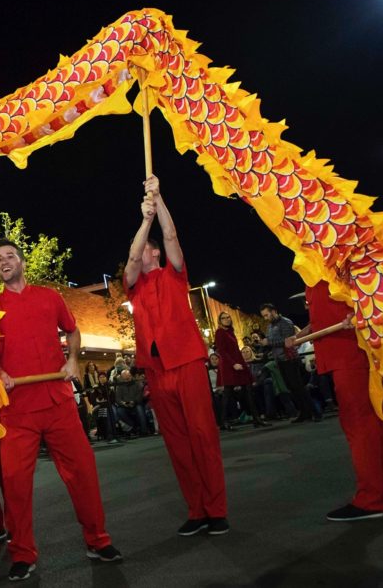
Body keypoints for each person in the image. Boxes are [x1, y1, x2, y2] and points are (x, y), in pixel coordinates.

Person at [0, 239, 121, 581]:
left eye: (9, 256)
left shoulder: (50, 297)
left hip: (58, 402)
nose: (4, 261)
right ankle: (22, 554)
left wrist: (72, 359)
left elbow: (73, 330)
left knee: (83, 473)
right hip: (17, 410)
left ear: (21, 262)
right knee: (15, 484)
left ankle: (98, 540)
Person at [124, 175, 228, 537]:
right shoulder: (133, 285)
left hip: (186, 362)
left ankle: (216, 509)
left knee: (202, 435)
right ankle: (196, 510)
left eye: (148, 248)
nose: (143, 251)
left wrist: (159, 199)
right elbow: (133, 257)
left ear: (157, 253)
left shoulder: (174, 276)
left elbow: (171, 238)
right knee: (177, 443)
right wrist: (144, 219)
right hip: (155, 369)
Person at [287, 281, 383, 520]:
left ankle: (371, 498)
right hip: (344, 343)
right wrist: (306, 330)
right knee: (375, 419)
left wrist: (362, 309)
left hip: (351, 345)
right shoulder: (320, 256)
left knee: (359, 421)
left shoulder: (335, 249)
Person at [260, 303, 319, 423]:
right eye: (264, 316)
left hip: (289, 358)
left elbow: (289, 341)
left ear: (274, 311)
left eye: (267, 315)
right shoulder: (270, 326)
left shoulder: (285, 322)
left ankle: (315, 412)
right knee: (292, 388)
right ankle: (304, 412)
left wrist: (269, 342)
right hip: (280, 360)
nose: (266, 318)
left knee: (298, 387)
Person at [213, 313, 267, 429]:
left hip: (238, 362)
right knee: (228, 392)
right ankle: (223, 422)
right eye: (223, 318)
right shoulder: (220, 332)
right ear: (219, 320)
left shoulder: (230, 331)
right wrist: (233, 364)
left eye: (228, 317)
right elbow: (222, 351)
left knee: (248, 389)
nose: (227, 319)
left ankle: (256, 419)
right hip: (230, 365)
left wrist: (239, 362)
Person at [112, 369, 149, 436]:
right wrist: (123, 403)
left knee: (139, 409)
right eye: (125, 377)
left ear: (130, 375)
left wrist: (134, 402)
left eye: (128, 376)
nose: (127, 378)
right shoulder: (120, 386)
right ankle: (134, 426)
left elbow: (139, 395)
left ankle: (144, 430)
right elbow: (117, 398)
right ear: (122, 377)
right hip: (124, 405)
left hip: (136, 403)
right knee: (119, 411)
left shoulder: (137, 383)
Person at [88, 373, 118, 443]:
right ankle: (110, 436)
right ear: (98, 379)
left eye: (103, 377)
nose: (102, 378)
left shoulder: (110, 387)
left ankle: (114, 434)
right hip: (99, 408)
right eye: (100, 377)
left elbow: (113, 399)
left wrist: (102, 402)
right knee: (106, 412)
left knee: (111, 411)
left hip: (109, 405)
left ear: (106, 378)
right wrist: (101, 403)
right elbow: (93, 401)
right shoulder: (96, 388)